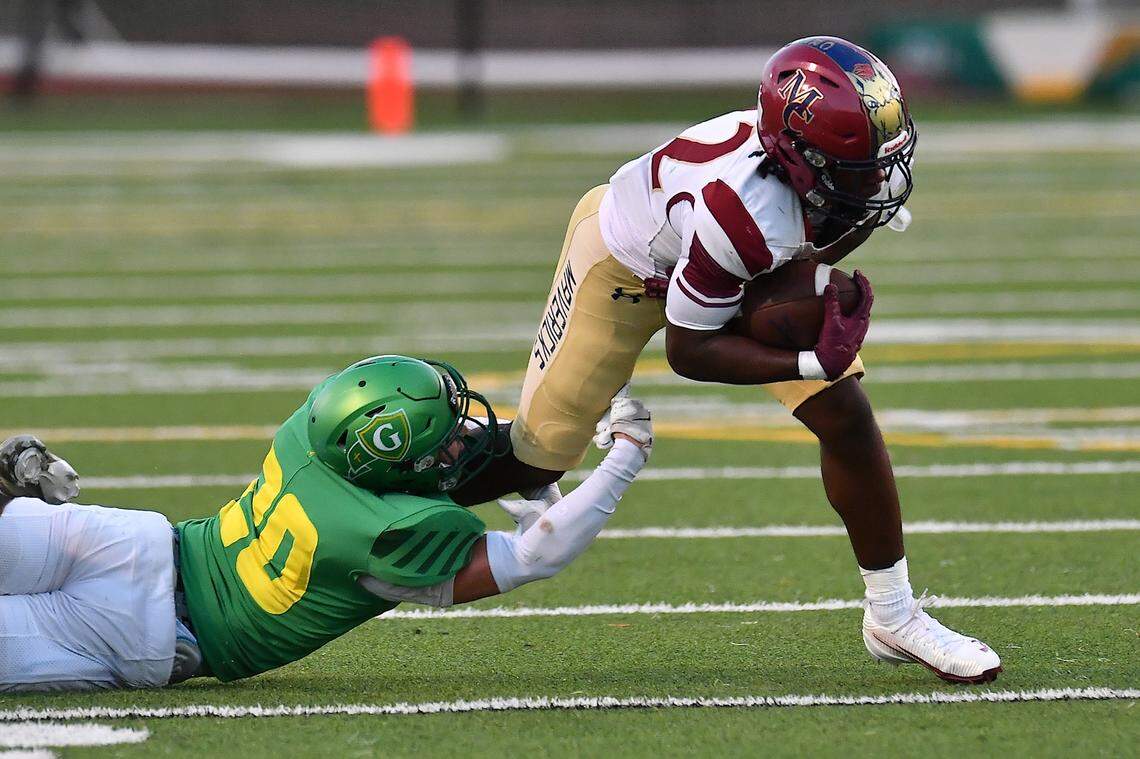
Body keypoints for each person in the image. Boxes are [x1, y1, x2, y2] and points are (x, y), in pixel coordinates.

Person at [448, 36, 1001, 684]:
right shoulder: (740, 209)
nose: (879, 175)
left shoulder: (843, 178)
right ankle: (371, 497)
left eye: (881, 152)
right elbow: (691, 349)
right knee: (532, 454)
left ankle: (894, 614)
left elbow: (825, 232)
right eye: (856, 164)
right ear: (801, 160)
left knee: (848, 419)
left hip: (743, 266)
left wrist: (804, 315)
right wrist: (807, 361)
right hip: (626, 267)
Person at [0, 355, 653, 692]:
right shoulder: (388, 533)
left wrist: (528, 470)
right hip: (140, 634)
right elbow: (535, 555)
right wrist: (623, 457)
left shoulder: (309, 432)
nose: (461, 441)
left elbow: (420, 465)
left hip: (136, 543)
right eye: (445, 438)